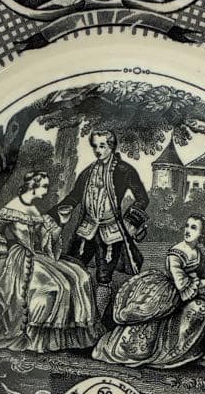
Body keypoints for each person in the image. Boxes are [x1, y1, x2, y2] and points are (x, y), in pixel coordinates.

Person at [92, 215, 205, 368]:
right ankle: (170, 353)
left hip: (187, 293)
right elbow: (182, 284)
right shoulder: (176, 253)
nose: (187, 230)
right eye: (187, 226)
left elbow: (202, 278)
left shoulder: (198, 253)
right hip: (168, 294)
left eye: (193, 228)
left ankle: (200, 350)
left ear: (202, 234)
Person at [0, 171, 99, 352]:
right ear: (33, 186)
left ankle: (66, 337)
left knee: (80, 276)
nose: (46, 190)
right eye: (44, 186)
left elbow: (44, 239)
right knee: (56, 287)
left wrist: (61, 223)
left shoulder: (34, 210)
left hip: (38, 256)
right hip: (17, 261)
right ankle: (36, 338)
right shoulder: (11, 208)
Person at [55, 130, 149, 320]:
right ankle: (72, 316)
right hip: (87, 229)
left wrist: (130, 222)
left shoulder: (124, 170)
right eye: (95, 146)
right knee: (72, 267)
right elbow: (74, 196)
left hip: (111, 232)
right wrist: (57, 213)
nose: (97, 150)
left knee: (104, 277)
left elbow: (142, 199)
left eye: (102, 146)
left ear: (111, 147)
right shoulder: (88, 171)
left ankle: (96, 320)